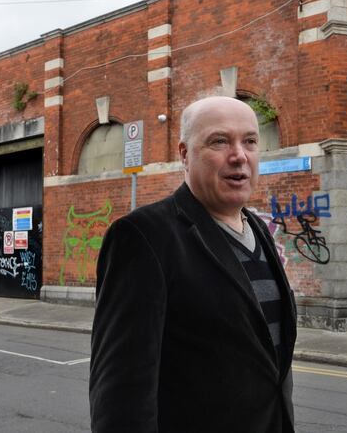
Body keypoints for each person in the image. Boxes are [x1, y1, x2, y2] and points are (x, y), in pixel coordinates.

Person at [89, 96, 297, 433]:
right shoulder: (143, 236)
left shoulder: (259, 230)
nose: (239, 156)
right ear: (185, 154)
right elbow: (121, 393)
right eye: (219, 141)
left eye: (250, 141)